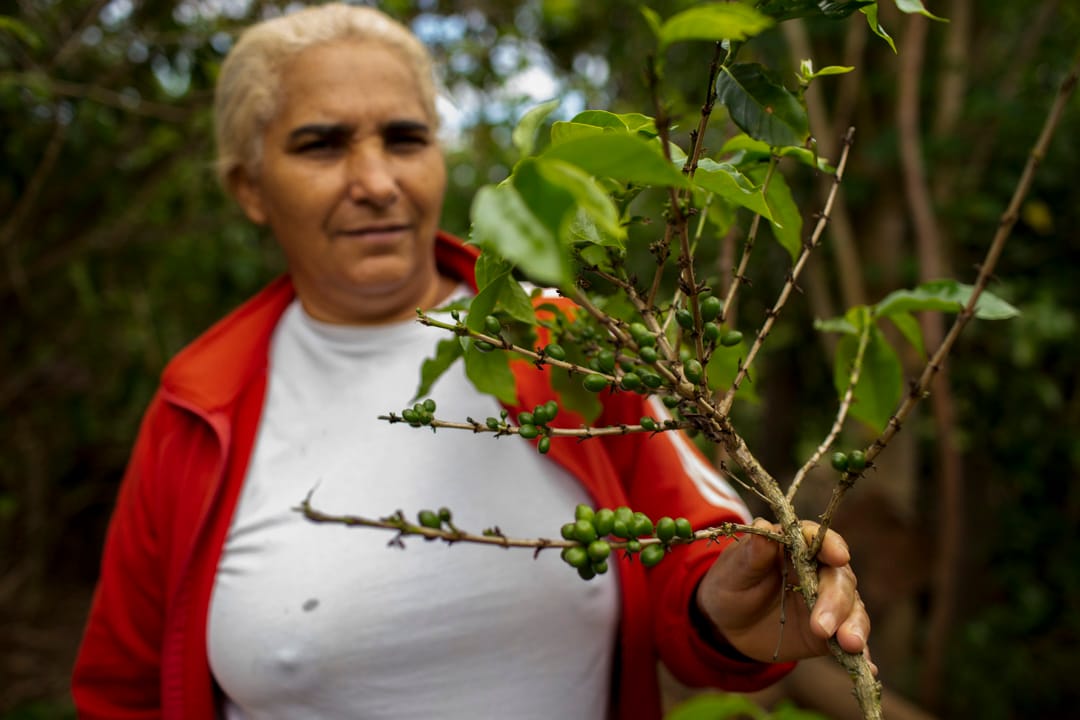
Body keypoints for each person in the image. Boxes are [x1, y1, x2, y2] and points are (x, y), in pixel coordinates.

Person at [71, 4, 870, 719]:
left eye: (405, 138)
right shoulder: (197, 402)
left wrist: (733, 607)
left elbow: (697, 554)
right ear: (250, 187)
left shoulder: (561, 341)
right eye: (321, 145)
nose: (376, 181)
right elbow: (125, 689)